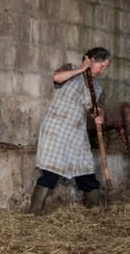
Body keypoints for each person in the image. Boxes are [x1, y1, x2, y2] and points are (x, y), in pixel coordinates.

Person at [28, 47, 113, 215]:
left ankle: (93, 211)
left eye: (106, 67)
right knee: (51, 172)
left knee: (86, 172)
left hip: (77, 132)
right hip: (57, 128)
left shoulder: (98, 88)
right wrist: (82, 69)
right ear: (90, 60)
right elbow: (57, 78)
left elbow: (98, 108)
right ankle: (33, 213)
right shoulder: (70, 68)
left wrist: (99, 115)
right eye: (101, 65)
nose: (103, 70)